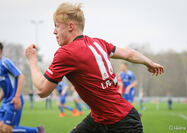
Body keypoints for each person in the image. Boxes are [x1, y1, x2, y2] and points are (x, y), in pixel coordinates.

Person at [25, 2, 164, 133]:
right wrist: (149, 63)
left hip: (122, 123)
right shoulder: (98, 43)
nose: (54, 32)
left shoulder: (66, 53)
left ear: (70, 26)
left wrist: (32, 60)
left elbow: (42, 90)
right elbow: (129, 53)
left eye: (57, 26)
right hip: (102, 119)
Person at [0, 42, 45, 133]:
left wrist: (16, 97)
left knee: (6, 130)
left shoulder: (5, 62)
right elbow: (3, 88)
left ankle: (37, 131)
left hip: (13, 100)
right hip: (5, 101)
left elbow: (21, 76)